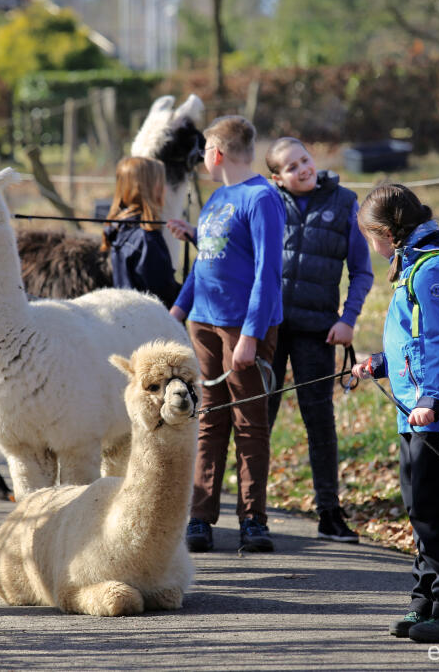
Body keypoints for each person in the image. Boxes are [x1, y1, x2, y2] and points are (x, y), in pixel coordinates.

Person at [350, 184, 439, 643]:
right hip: (418, 411)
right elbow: (416, 340)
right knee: (421, 508)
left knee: (433, 510)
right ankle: (426, 601)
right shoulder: (416, 263)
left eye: (370, 236)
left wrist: (434, 400)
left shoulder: (435, 269)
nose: (371, 245)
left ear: (387, 232)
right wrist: (380, 364)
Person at [167, 115, 284, 553]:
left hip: (243, 327)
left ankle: (253, 519)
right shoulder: (216, 199)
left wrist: (252, 336)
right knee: (209, 418)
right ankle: (200, 517)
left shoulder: (262, 199)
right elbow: (205, 263)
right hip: (203, 323)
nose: (203, 160)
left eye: (204, 153)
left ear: (215, 153)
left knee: (250, 423)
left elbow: (268, 273)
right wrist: (176, 311)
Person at [262, 137, 374, 543]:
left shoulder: (345, 202)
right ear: (277, 177)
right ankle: (251, 512)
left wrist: (348, 319)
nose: (303, 169)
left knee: (319, 421)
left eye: (304, 160)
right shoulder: (265, 202)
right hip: (269, 329)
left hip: (318, 331)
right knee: (259, 420)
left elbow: (362, 271)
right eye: (291, 167)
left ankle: (329, 511)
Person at [101, 156, 180, 307]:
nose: (166, 188)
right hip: (149, 323)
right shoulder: (146, 239)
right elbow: (164, 296)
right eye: (161, 183)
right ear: (151, 189)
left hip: (125, 317)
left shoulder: (116, 229)